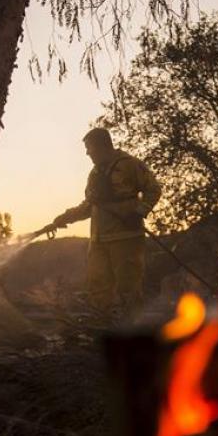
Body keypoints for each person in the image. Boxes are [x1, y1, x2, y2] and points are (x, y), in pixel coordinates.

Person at [34, 128, 161, 320]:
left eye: (89, 148)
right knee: (97, 288)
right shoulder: (94, 174)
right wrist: (62, 219)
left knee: (128, 289)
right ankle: (102, 330)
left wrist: (139, 212)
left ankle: (135, 331)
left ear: (103, 146)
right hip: (98, 241)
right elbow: (89, 206)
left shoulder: (129, 165)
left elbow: (154, 190)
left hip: (126, 239)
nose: (87, 153)